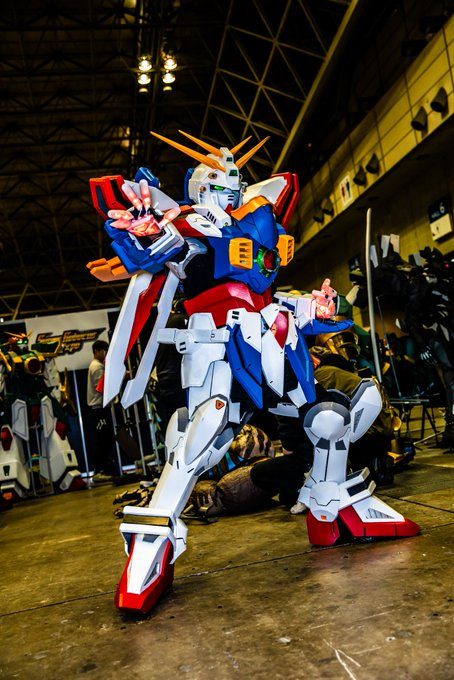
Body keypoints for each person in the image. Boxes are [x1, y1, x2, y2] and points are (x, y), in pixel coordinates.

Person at [86, 339, 118, 479]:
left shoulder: (97, 366)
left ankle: (104, 469)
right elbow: (102, 387)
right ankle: (100, 471)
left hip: (100, 408)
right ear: (96, 351)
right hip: (100, 409)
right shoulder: (97, 367)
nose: (105, 353)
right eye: (104, 351)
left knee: (105, 439)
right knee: (104, 440)